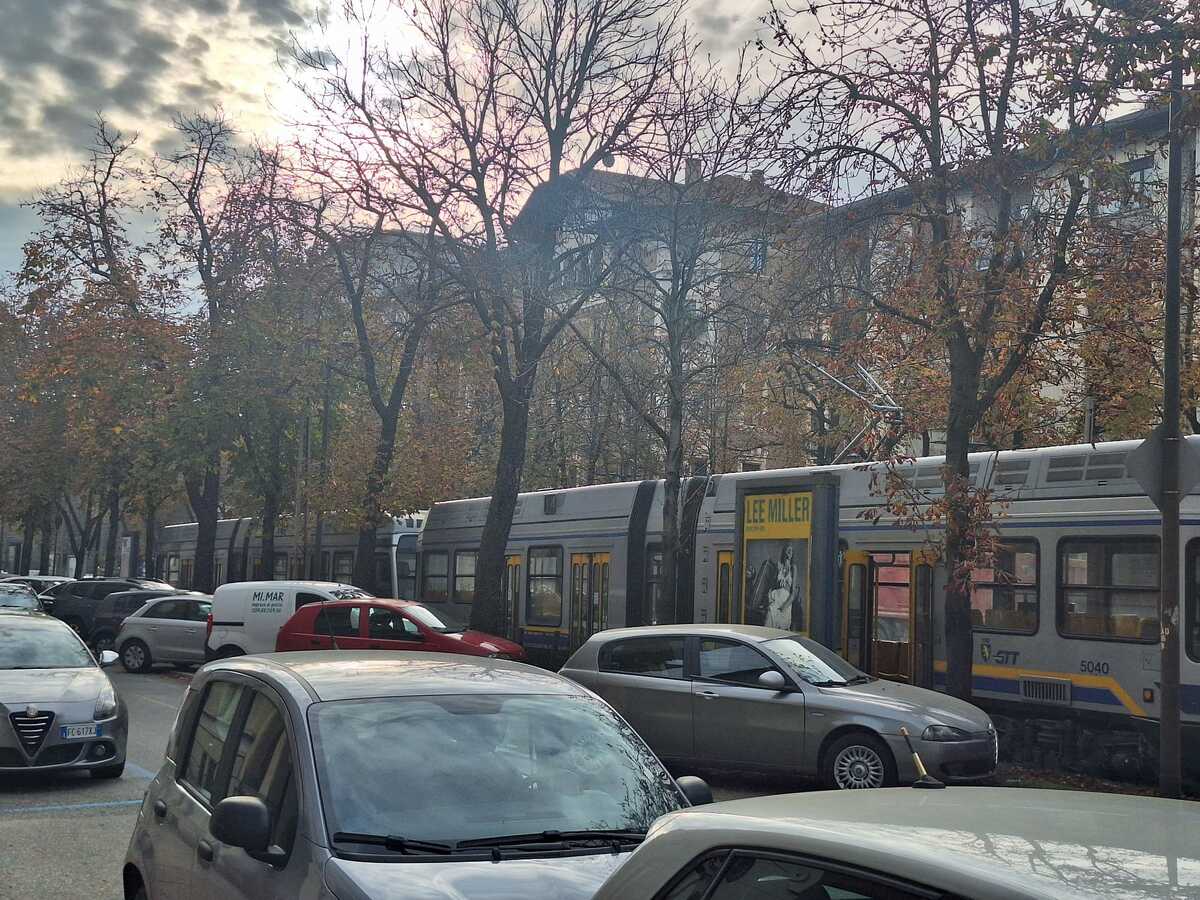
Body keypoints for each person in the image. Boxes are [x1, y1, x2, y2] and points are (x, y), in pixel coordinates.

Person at [765, 545, 795, 630]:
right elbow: (772, 584)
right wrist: (770, 598)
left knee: (781, 630)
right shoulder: (779, 566)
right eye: (787, 550)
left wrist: (783, 608)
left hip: (785, 603)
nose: (789, 553)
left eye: (791, 551)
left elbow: (793, 593)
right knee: (767, 626)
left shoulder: (793, 568)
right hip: (775, 599)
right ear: (784, 552)